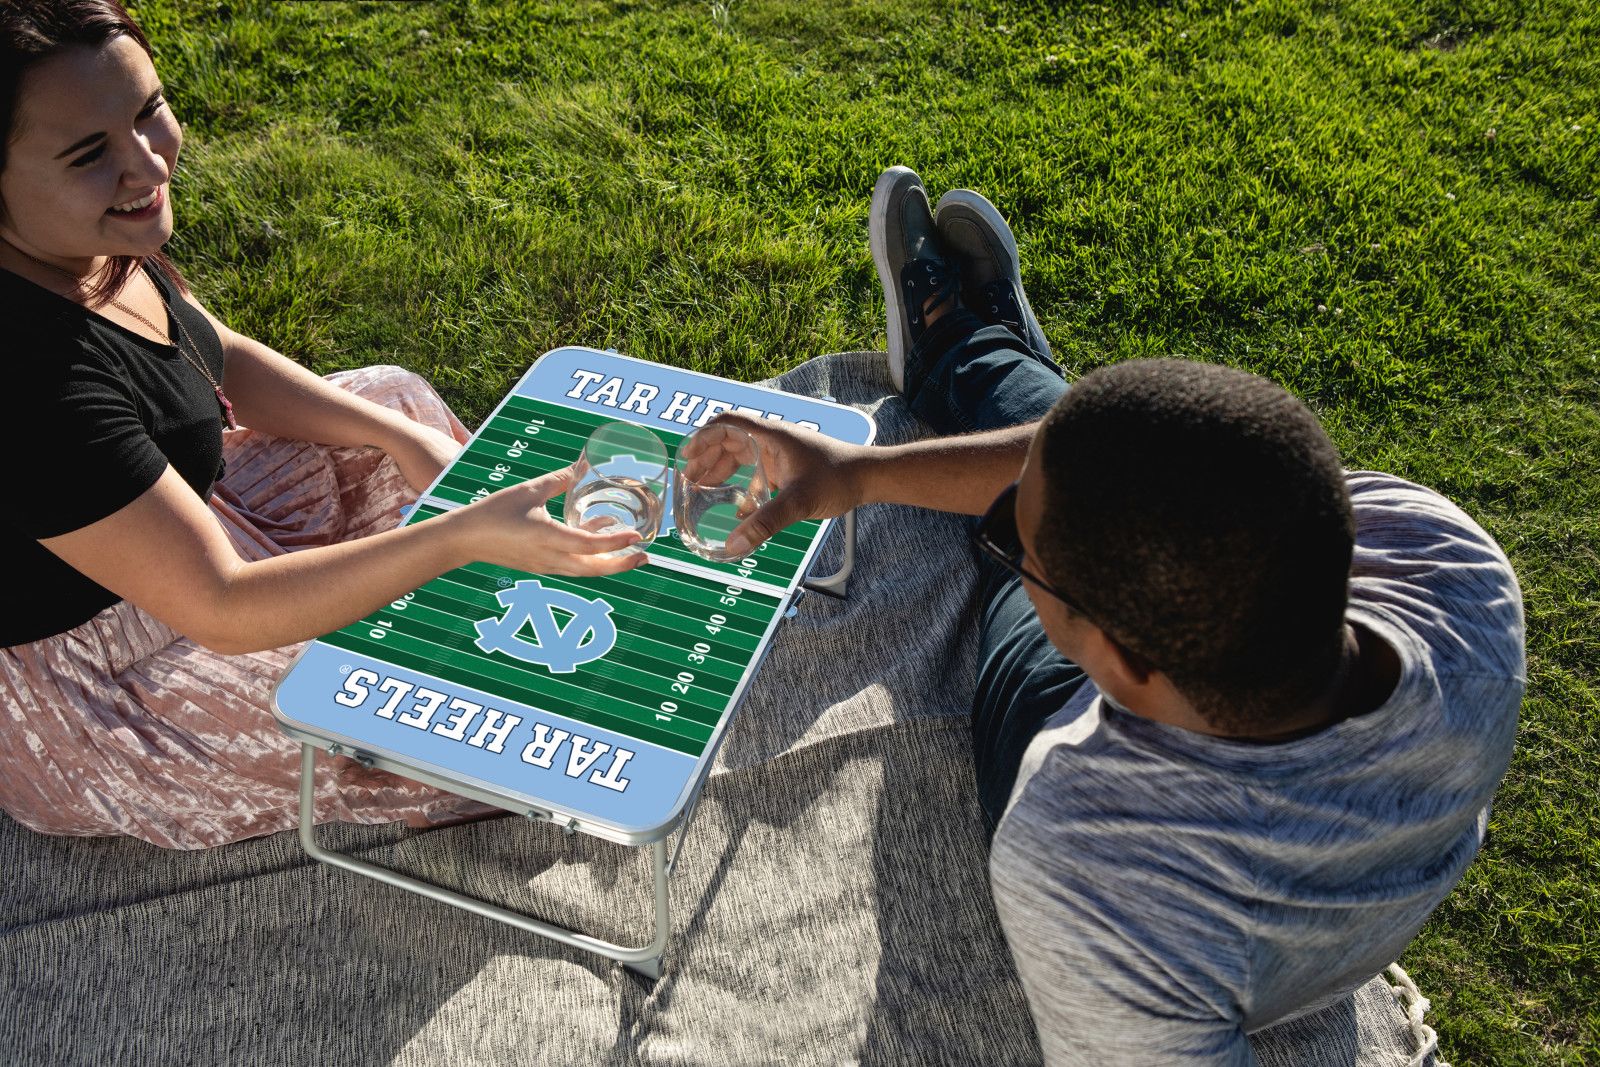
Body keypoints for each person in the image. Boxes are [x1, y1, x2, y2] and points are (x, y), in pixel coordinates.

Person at [714, 166, 1524, 1063]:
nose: (1008, 548)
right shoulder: (1451, 561)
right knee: (1103, 458)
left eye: (1019, 551)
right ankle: (983, 358)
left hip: (1072, 738)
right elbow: (1156, 473)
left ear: (1118, 661)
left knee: (1039, 541)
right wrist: (855, 474)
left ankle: (974, 356)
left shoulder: (1089, 859)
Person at [0, 0, 645, 850]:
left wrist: (400, 439)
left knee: (391, 400)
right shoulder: (28, 376)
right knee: (439, 712)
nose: (148, 160)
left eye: (149, 109)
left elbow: (211, 353)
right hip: (111, 683)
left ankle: (497, 570)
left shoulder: (83, 241)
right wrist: (457, 538)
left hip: (195, 527)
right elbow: (223, 606)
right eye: (90, 154)